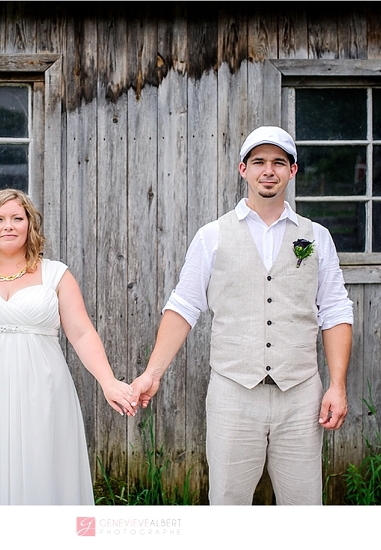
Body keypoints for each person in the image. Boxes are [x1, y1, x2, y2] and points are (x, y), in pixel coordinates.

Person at [130, 126, 354, 505]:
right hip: (233, 394)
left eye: (278, 163)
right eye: (260, 162)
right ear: (243, 169)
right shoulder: (212, 236)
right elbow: (184, 306)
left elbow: (334, 310)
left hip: (301, 395)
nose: (269, 170)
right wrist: (152, 373)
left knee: (304, 506)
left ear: (292, 171)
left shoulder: (317, 237)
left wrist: (337, 385)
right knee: (228, 505)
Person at [0, 188, 135, 505]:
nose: (8, 226)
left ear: (30, 224)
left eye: (17, 218)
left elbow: (82, 332)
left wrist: (108, 381)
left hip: (41, 392)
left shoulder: (55, 274)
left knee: (42, 470)